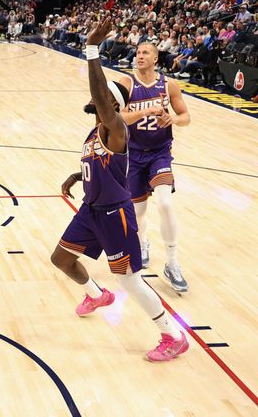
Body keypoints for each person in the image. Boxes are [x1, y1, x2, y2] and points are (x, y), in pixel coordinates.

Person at [51, 18, 189, 362]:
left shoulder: (115, 128)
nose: (93, 104)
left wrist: (92, 49)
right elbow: (100, 166)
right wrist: (76, 176)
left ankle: (172, 335)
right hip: (91, 210)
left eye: (99, 102)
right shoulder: (96, 130)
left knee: (129, 281)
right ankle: (96, 295)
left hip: (115, 215)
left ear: (111, 106)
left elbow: (101, 95)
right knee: (62, 259)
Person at [119, 43, 191, 292]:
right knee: (138, 213)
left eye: (144, 53)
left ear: (156, 58)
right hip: (134, 154)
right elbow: (117, 117)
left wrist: (172, 118)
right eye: (137, 53)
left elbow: (185, 117)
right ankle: (142, 244)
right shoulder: (126, 83)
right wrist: (146, 111)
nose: (139, 56)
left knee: (165, 203)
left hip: (160, 154)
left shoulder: (168, 84)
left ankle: (172, 263)